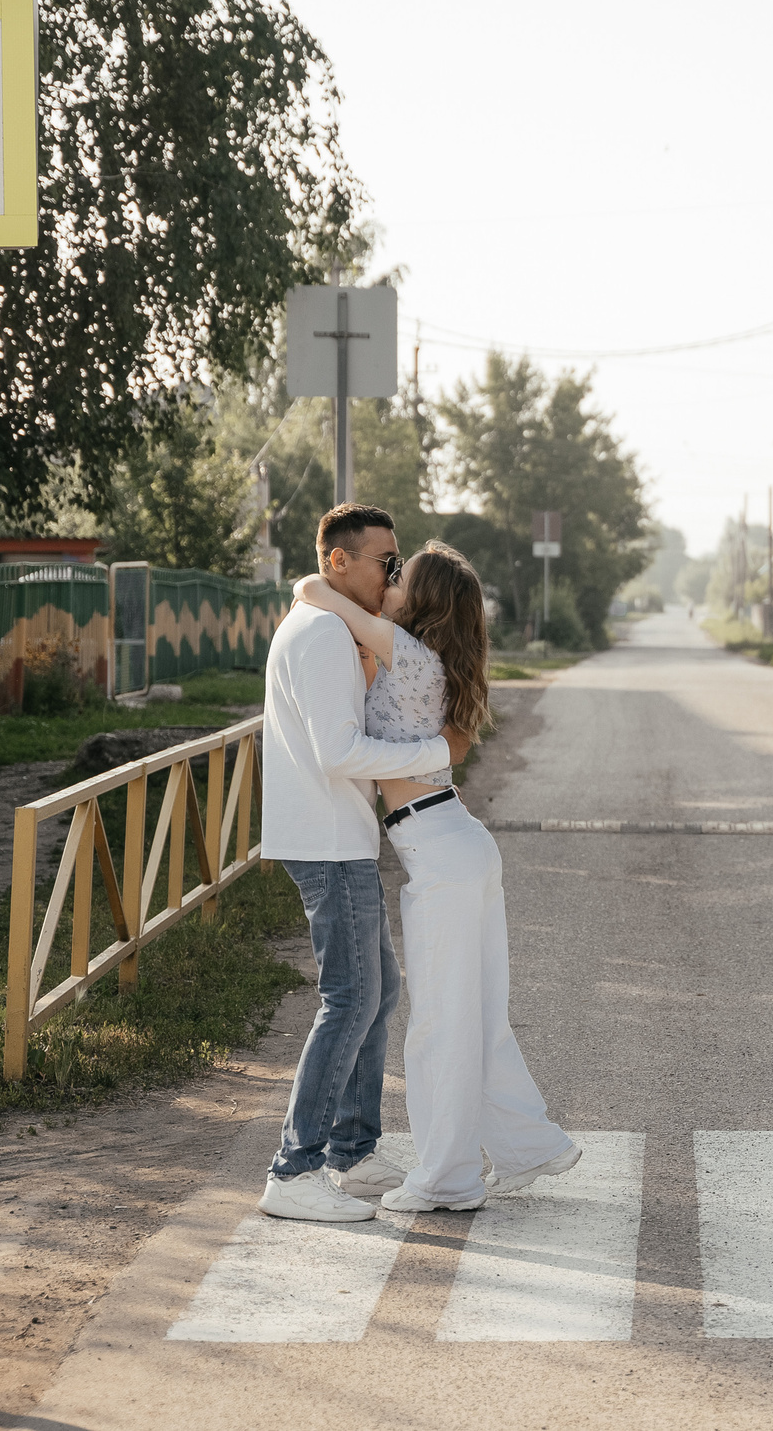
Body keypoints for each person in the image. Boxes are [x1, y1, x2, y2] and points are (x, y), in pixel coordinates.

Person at [294, 540, 580, 1212]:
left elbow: (312, 589)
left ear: (418, 597)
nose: (389, 581)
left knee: (441, 1025)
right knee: (477, 1016)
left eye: (401, 574)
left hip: (442, 854)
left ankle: (448, 1177)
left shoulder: (403, 648)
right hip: (457, 843)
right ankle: (528, 1144)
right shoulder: (427, 660)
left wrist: (354, 593)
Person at [257, 504, 470, 1223]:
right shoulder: (319, 634)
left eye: (397, 560)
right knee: (350, 997)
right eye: (386, 560)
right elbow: (338, 751)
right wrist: (430, 757)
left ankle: (351, 1148)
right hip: (324, 837)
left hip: (339, 832)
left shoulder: (328, 625)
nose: (394, 572)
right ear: (337, 561)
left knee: (375, 993)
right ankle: (295, 1168)